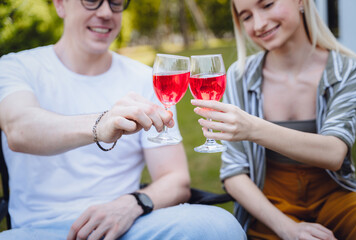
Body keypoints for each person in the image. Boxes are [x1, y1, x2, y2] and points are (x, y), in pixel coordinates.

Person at [0, 0, 247, 239]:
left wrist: (131, 204)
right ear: (60, 4)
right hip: (40, 229)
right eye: (92, 0)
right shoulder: (15, 67)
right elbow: (20, 130)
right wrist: (102, 123)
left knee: (220, 226)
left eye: (116, 2)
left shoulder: (145, 77)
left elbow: (175, 179)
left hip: (128, 226)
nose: (106, 12)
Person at [191, 0, 356, 239]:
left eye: (267, 4)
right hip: (268, 202)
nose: (259, 24)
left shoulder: (347, 70)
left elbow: (334, 154)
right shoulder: (239, 76)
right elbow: (233, 173)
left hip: (335, 194)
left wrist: (251, 128)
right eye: (246, 16)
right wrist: (286, 227)